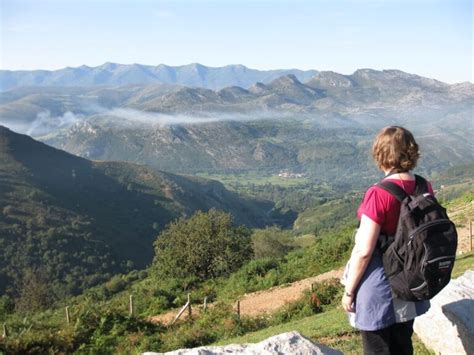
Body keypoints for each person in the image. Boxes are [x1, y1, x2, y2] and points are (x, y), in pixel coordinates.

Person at [341, 126, 432, 355]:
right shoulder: (424, 186)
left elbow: (363, 250)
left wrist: (349, 291)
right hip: (411, 279)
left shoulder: (378, 194)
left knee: (377, 349)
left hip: (379, 285)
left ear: (380, 154)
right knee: (403, 346)